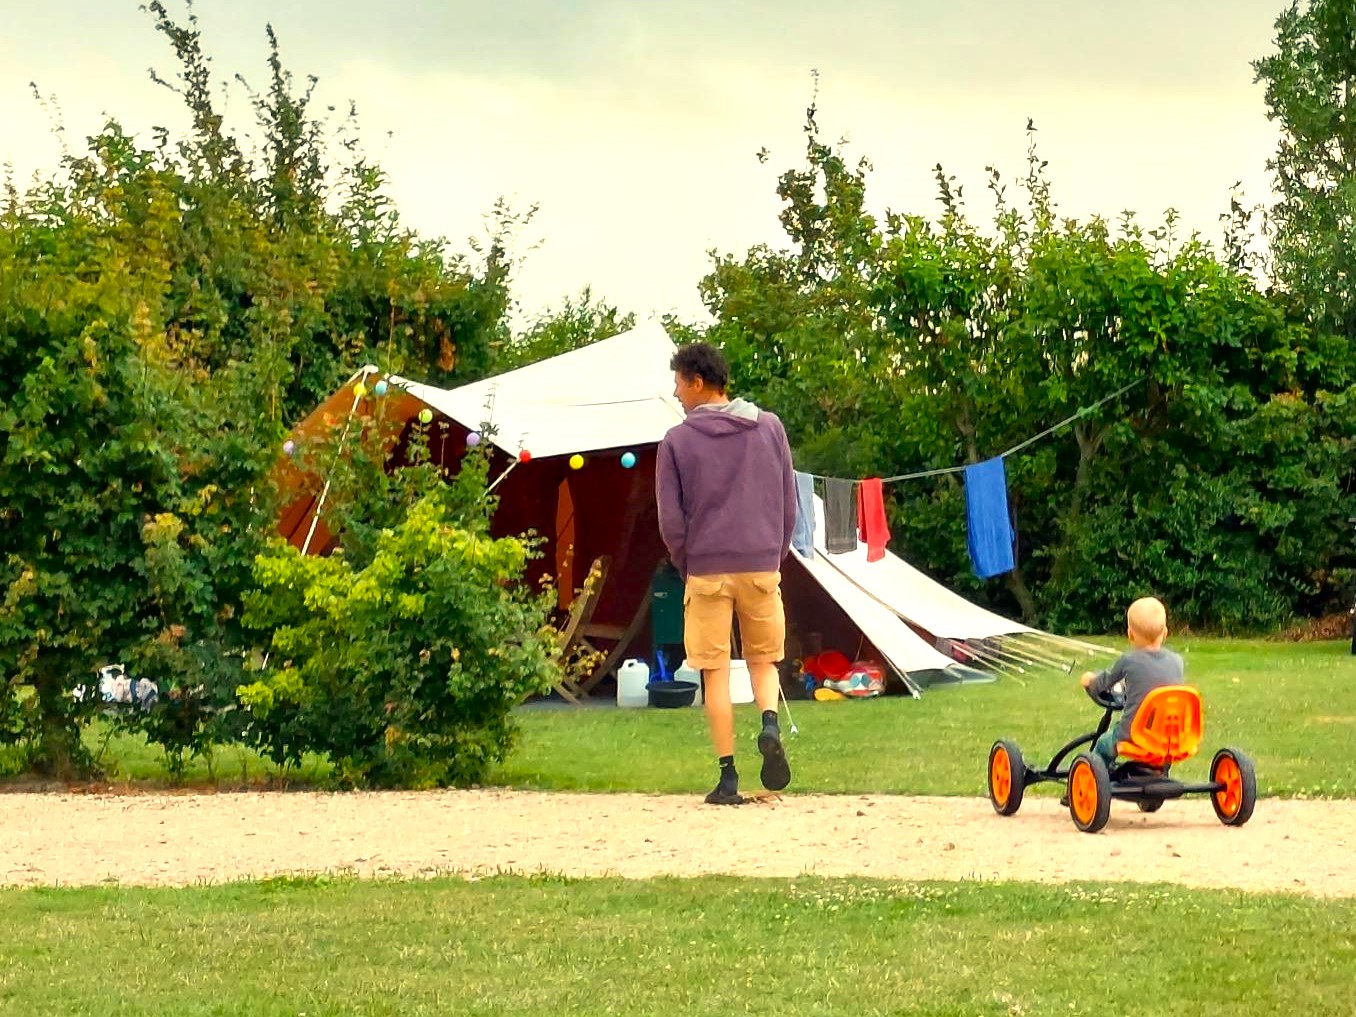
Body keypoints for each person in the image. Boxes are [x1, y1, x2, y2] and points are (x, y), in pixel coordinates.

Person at [656, 342, 797, 805]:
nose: (676, 394)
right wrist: (773, 554)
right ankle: (770, 724)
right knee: (763, 660)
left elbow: (670, 520)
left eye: (678, 384)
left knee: (714, 672)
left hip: (707, 569)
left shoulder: (675, 442)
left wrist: (686, 560)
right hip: (760, 563)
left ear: (697, 382)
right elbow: (786, 500)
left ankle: (728, 777)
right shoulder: (770, 427)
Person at [1078, 597, 1184, 768]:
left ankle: (1096, 777)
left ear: (1130, 634)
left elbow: (1103, 683)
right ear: (1165, 632)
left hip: (1133, 734)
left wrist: (1089, 680)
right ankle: (1157, 771)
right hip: (1167, 736)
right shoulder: (1177, 661)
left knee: (1103, 744)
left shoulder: (1128, 660)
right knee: (1157, 741)